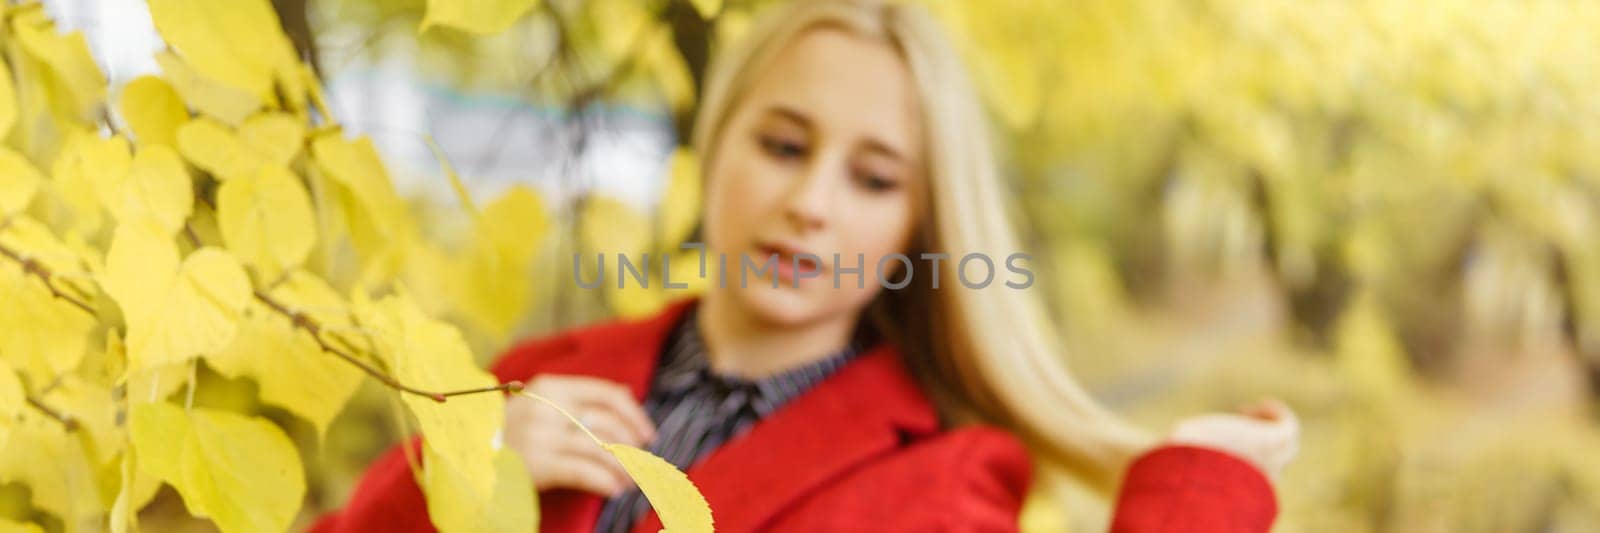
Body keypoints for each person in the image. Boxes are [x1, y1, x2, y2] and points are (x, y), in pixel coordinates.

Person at [312, 0, 1299, 531]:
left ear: (917, 224)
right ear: (716, 144)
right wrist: (441, 482)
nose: (810, 201)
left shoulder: (946, 483)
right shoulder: (542, 378)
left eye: (872, 177)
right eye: (782, 146)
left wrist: (1192, 496)